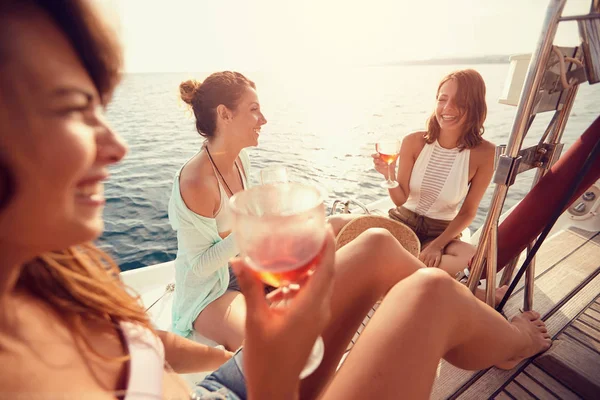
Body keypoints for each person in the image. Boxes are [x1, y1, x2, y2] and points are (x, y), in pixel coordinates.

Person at [0, 2, 552, 399]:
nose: (115, 144)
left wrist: (232, 360)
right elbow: (204, 262)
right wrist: (267, 357)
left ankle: (495, 335)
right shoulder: (195, 180)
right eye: (73, 106)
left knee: (382, 243)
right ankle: (511, 342)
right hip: (222, 325)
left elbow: (144, 340)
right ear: (225, 116)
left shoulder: (52, 278)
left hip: (224, 379)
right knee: (429, 292)